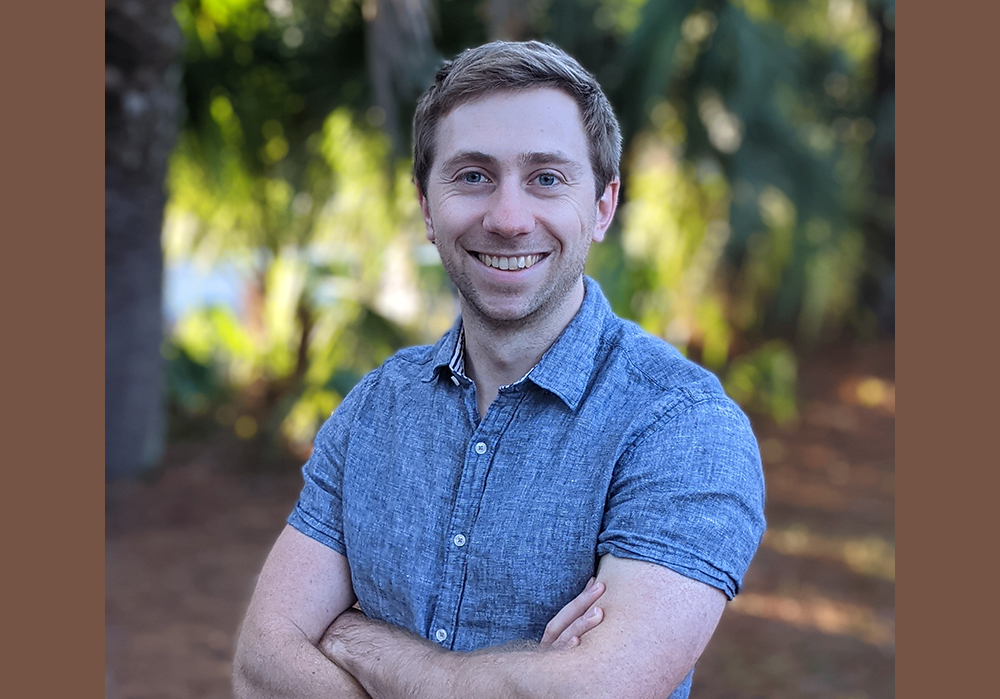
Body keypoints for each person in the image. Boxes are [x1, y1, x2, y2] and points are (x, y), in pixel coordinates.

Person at [233, 40, 766, 699]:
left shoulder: (684, 427)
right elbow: (261, 662)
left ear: (603, 204)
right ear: (427, 208)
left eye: (546, 177)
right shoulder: (374, 408)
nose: (510, 219)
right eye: (473, 176)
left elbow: (598, 691)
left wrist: (358, 641)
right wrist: (525, 673)